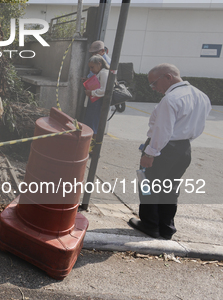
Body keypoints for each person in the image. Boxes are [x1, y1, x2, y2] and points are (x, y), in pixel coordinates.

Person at [128, 63, 211, 240]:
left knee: (148, 186)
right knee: (170, 189)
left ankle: (150, 225)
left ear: (168, 77)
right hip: (184, 149)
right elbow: (198, 126)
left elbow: (162, 131)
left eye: (154, 83)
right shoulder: (202, 96)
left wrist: (150, 153)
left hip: (162, 149)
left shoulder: (171, 99)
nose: (153, 88)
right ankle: (166, 227)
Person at [82, 55, 109, 135]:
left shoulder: (104, 73)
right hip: (94, 102)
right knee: (90, 124)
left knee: (92, 125)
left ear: (99, 64)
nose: (91, 70)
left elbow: (104, 90)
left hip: (97, 102)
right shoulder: (101, 73)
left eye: (92, 67)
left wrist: (91, 93)